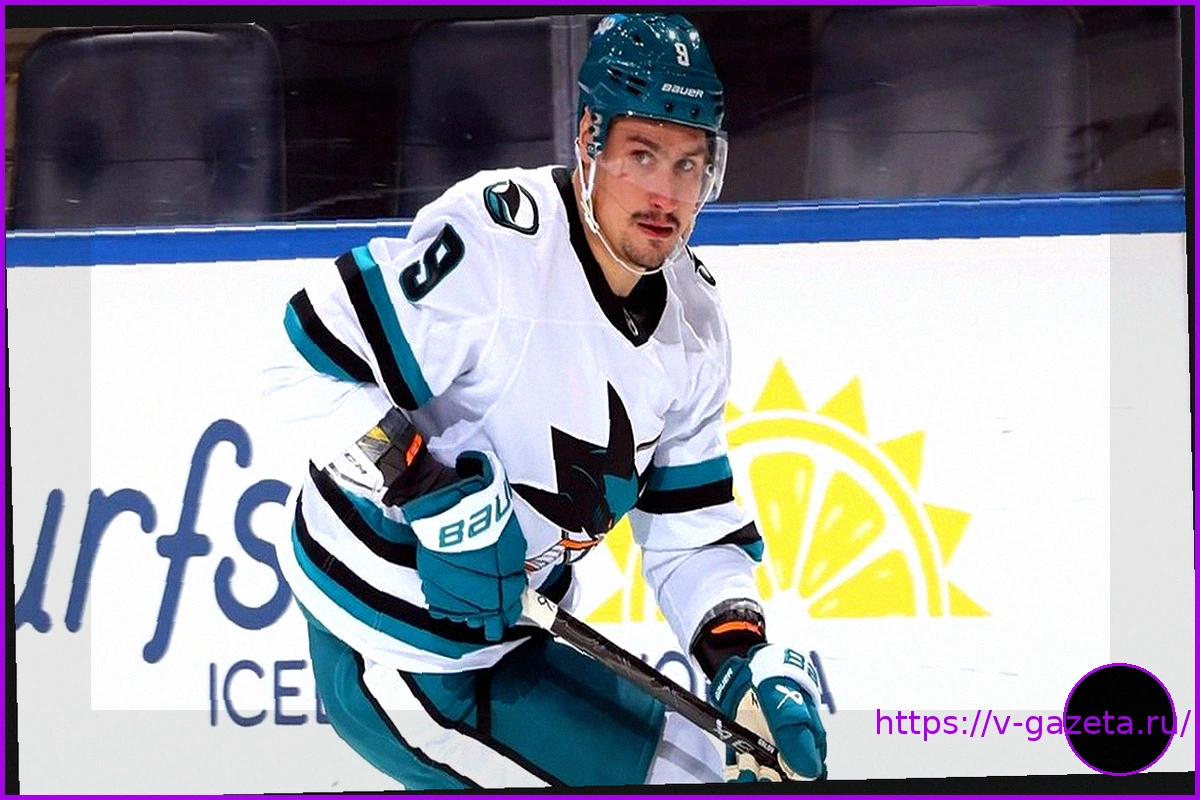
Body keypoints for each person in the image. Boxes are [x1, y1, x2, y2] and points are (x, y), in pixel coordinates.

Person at [263, 12, 827, 788]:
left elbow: (689, 530)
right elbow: (295, 370)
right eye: (641, 154)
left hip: (510, 645)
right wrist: (422, 484)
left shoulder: (694, 322)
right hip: (382, 644)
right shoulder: (495, 246)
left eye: (689, 164)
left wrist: (741, 657)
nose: (665, 192)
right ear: (589, 137)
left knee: (711, 776)